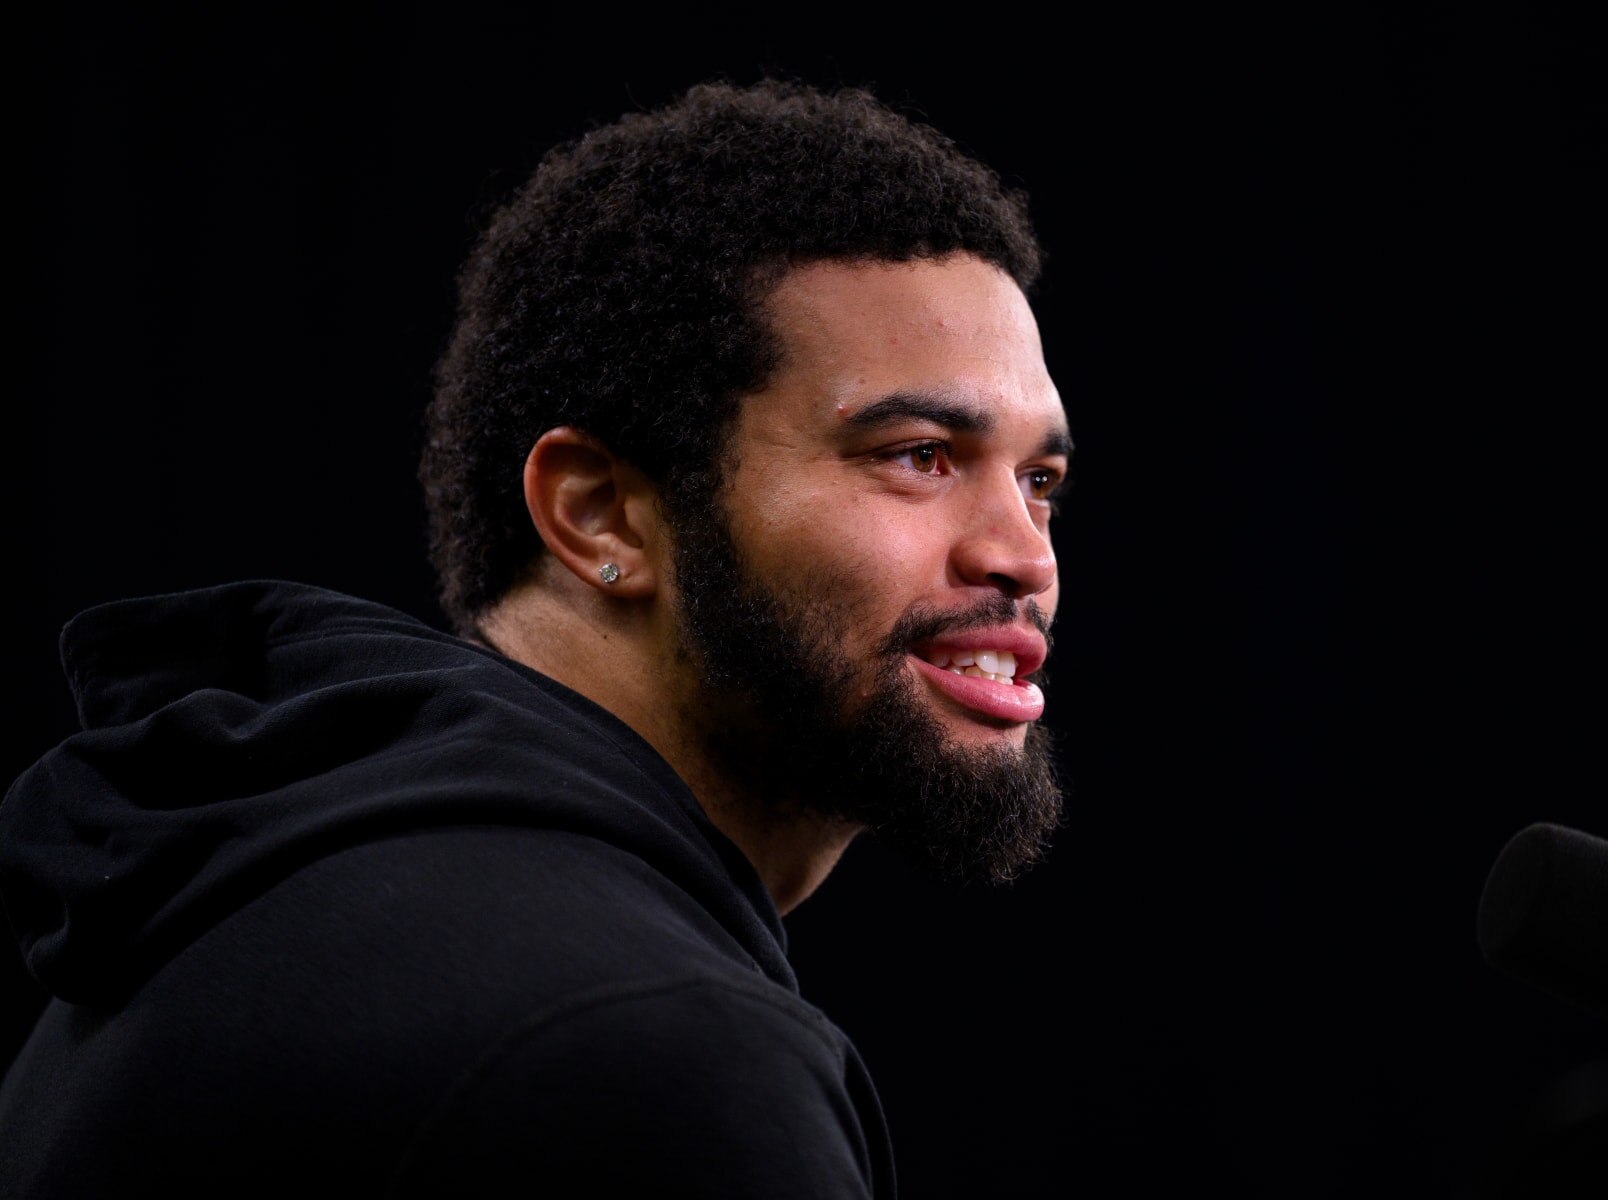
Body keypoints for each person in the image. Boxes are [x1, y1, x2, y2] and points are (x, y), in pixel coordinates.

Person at [0, 80, 1071, 1196]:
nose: (1023, 557)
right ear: (598, 514)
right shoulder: (651, 1058)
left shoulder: (270, 898)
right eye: (918, 454)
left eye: (1041, 481)